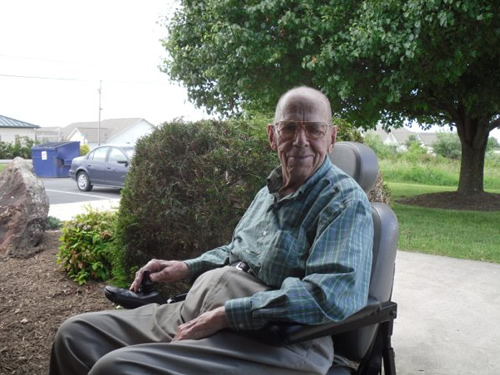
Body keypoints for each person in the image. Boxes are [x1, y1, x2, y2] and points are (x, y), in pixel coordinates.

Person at [49, 86, 374, 375]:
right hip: (202, 308)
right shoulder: (269, 191)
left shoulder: (343, 202)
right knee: (75, 336)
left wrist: (227, 315)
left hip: (276, 339)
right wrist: (186, 267)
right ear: (273, 136)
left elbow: (330, 295)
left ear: (331, 138)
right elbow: (236, 253)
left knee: (116, 369)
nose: (300, 140)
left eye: (314, 130)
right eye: (289, 128)